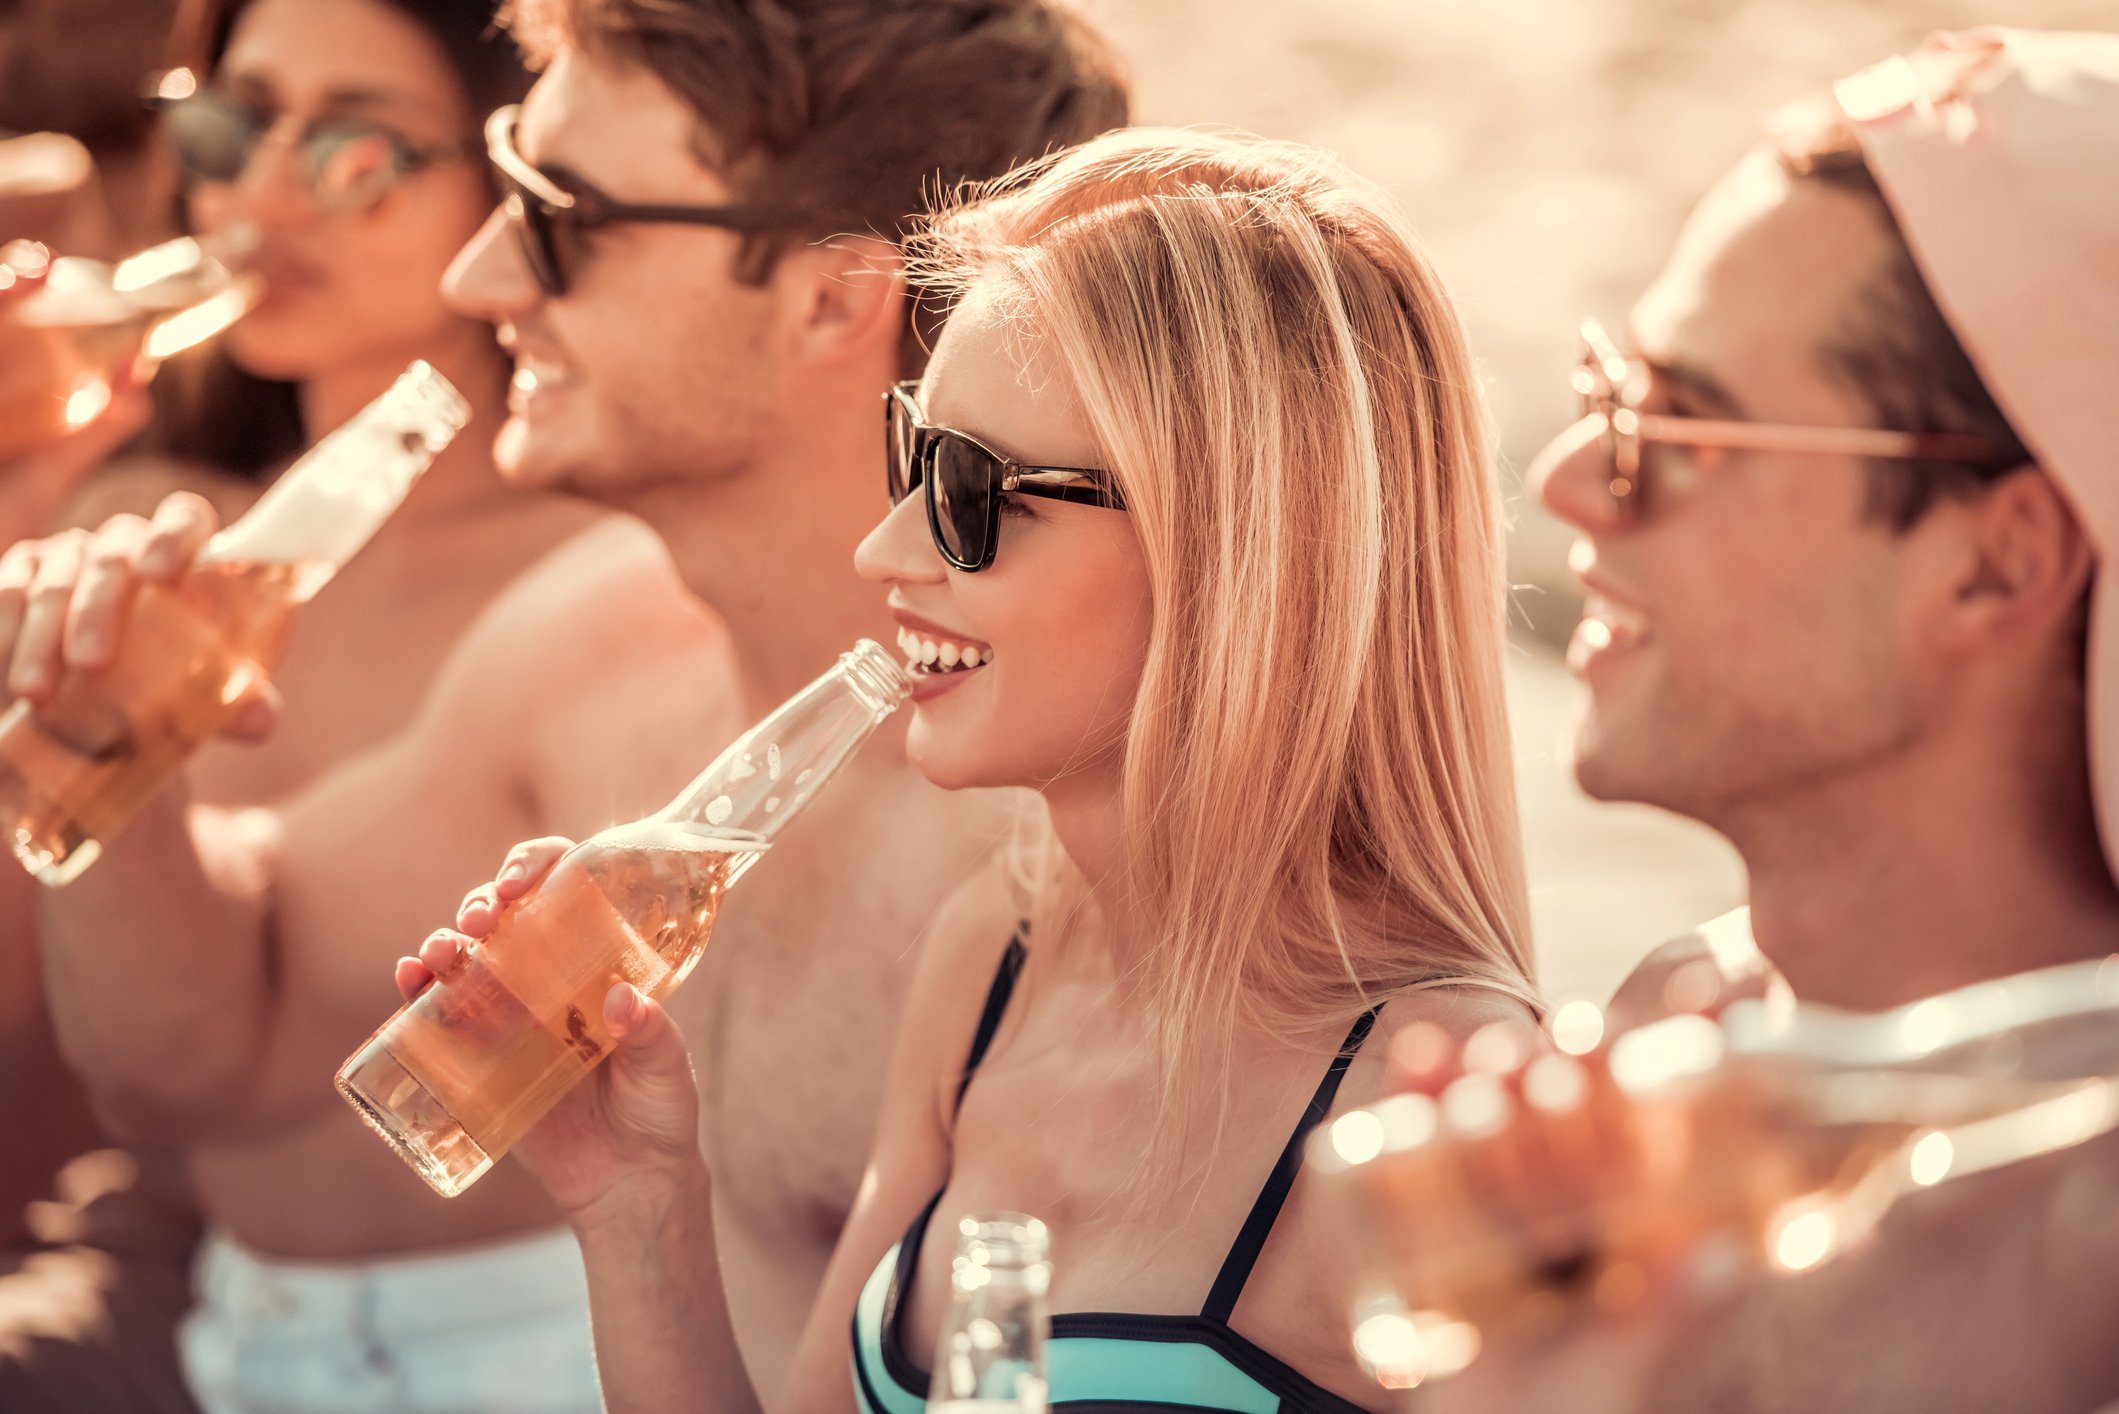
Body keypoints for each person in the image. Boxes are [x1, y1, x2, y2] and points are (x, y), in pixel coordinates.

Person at [3, 0, 1129, 1404]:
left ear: (835, 295)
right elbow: (209, 1050)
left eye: (559, 214)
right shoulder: (592, 642)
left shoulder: (1079, 825)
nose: (482, 277)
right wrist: (115, 752)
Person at [400, 124, 1543, 1411]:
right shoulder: (994, 960)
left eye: (967, 488)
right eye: (912, 452)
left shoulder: (1446, 1102)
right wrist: (634, 1199)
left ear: (1230, 554)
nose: (884, 552)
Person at [1383, 27, 2119, 1413]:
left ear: (1994, 562)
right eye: (1612, 397)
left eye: (1683, 429)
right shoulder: (1657, 1057)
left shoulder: (2088, 1259)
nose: (1569, 483)